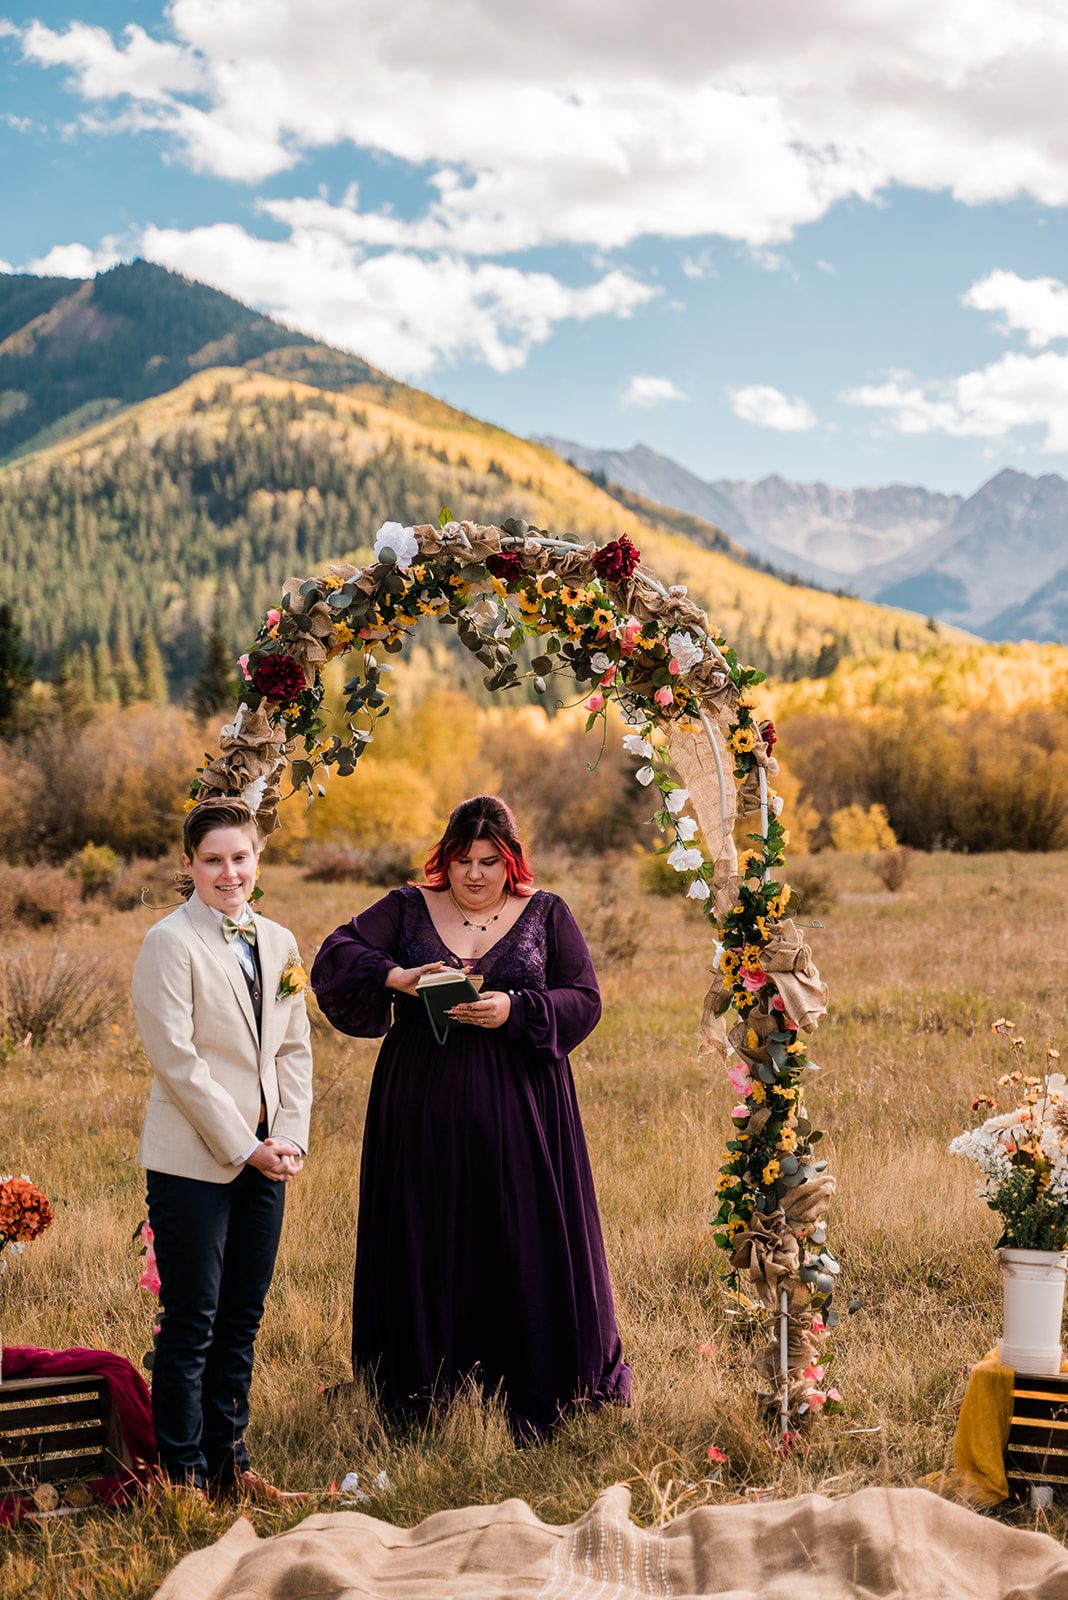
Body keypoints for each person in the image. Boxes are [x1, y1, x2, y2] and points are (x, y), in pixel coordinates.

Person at [311, 794, 631, 1441]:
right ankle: (425, 1389)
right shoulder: (406, 907)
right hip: (420, 1109)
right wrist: (399, 977)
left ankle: (529, 1378)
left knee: (519, 1232)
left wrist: (516, 1011)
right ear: (444, 861)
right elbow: (335, 957)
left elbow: (585, 999)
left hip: (523, 1113)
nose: (476, 874)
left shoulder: (546, 913)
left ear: (510, 861)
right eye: (463, 860)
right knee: (427, 1233)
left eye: (489, 860)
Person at [131, 797, 313, 1500]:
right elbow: (177, 1062)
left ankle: (232, 1471)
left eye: (240, 858)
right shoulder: (168, 943)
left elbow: (294, 1049)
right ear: (189, 865)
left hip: (270, 1157)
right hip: (194, 1163)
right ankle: (183, 1479)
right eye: (213, 860)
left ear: (256, 861)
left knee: (241, 1319)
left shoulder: (279, 941)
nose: (229, 872)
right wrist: (246, 1147)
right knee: (192, 1322)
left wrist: (289, 1134)